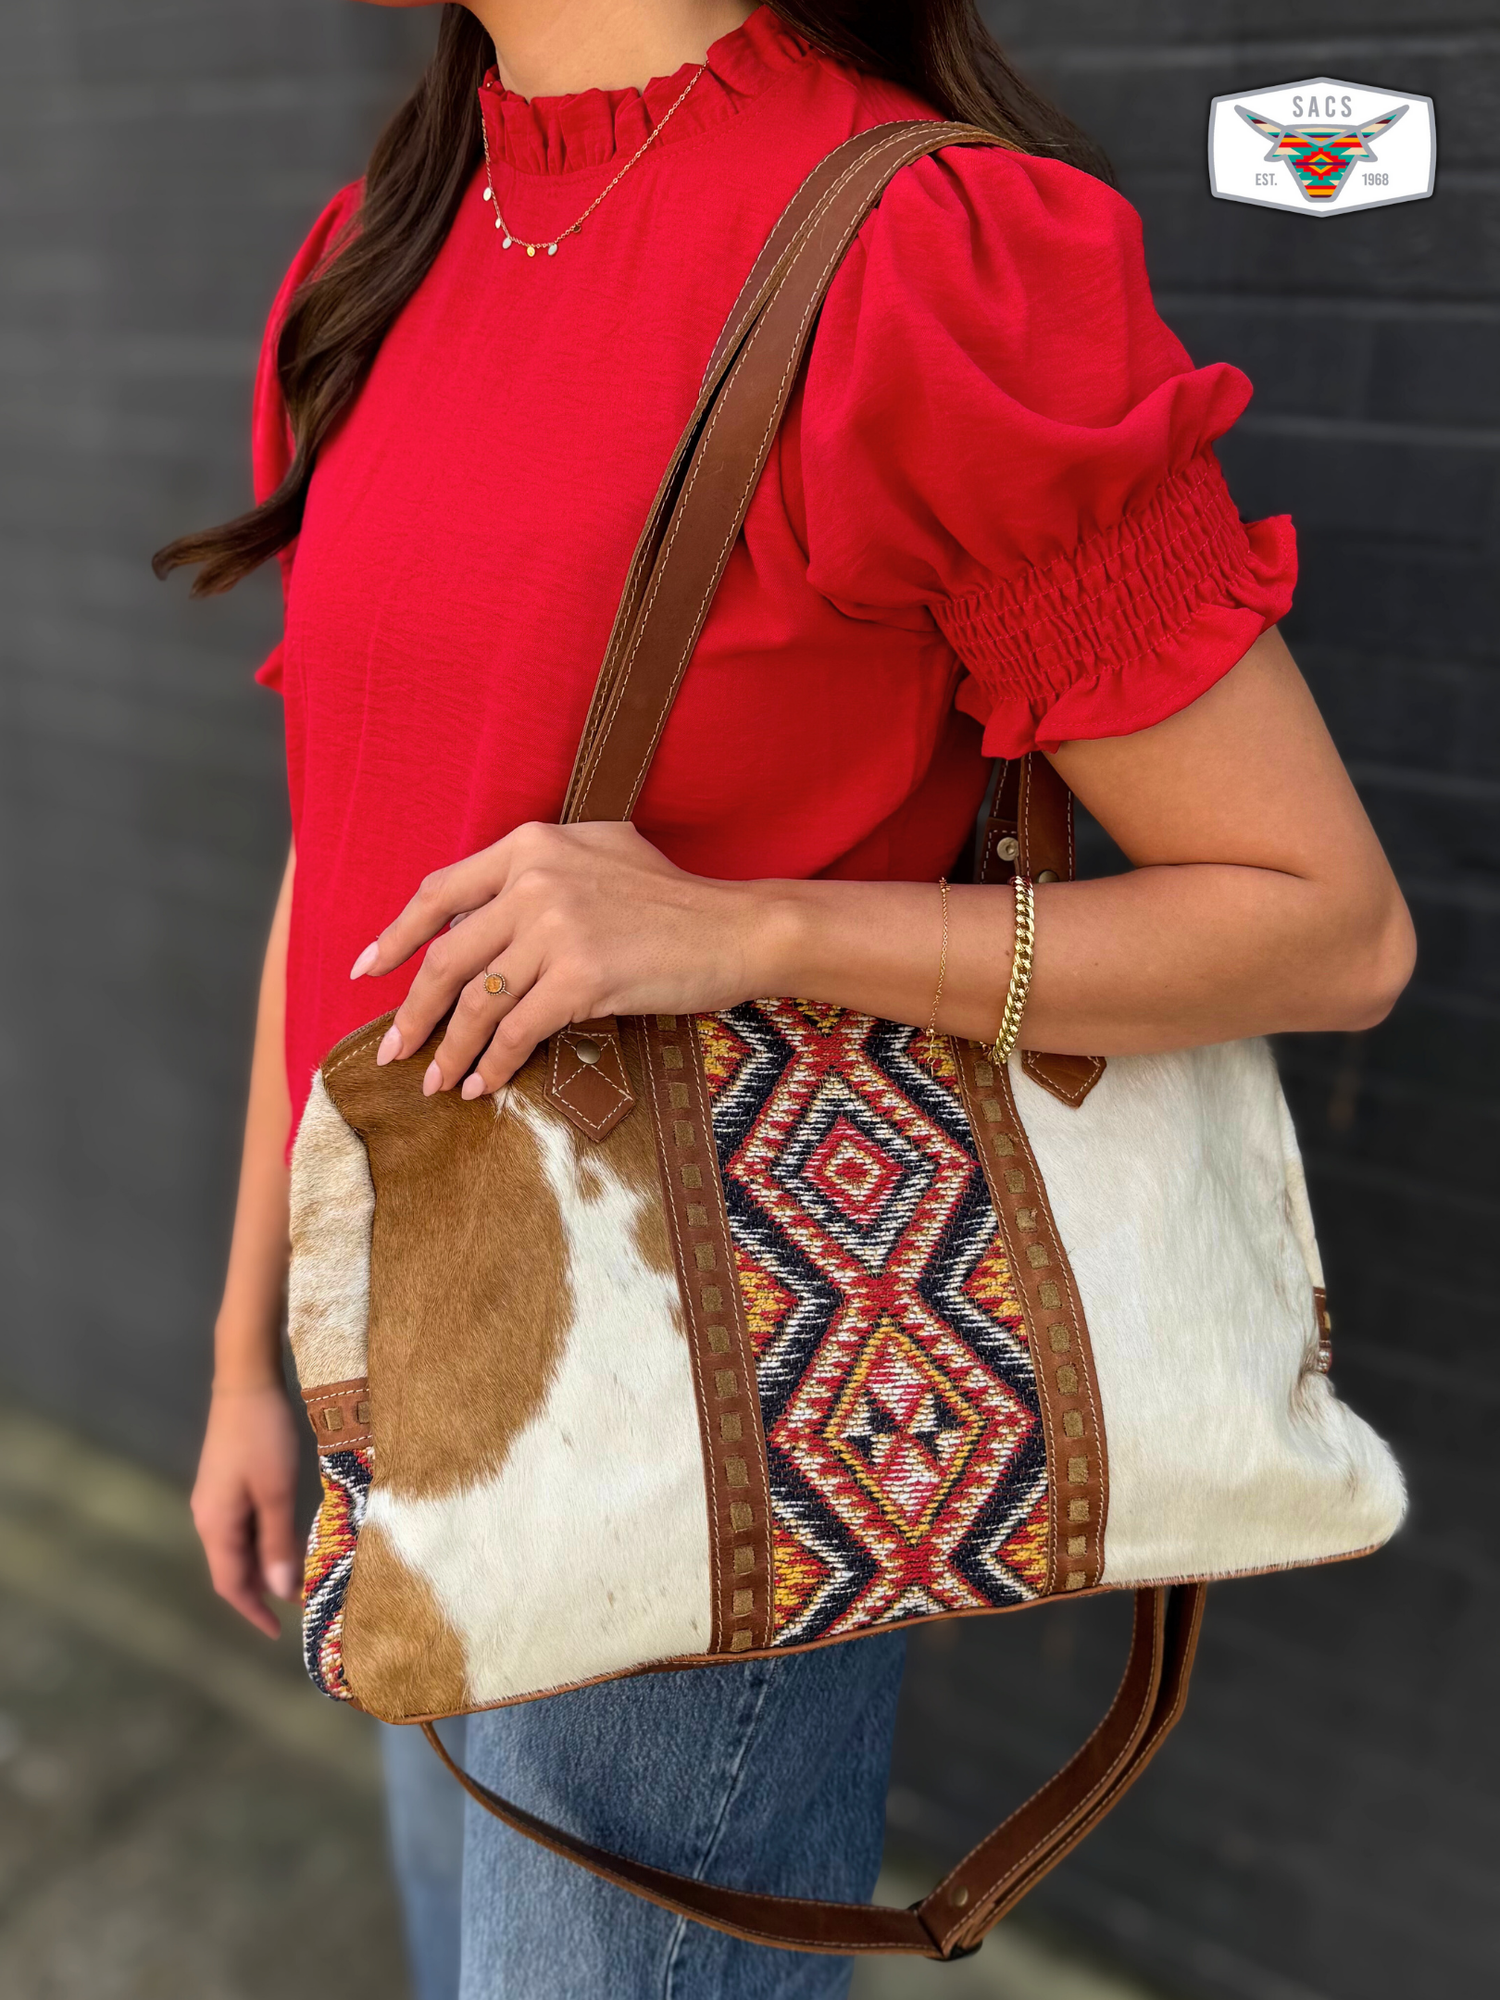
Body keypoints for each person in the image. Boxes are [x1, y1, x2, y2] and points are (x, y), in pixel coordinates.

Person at [158, 2, 1415, 1994]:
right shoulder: (374, 256)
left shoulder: (916, 259)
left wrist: (748, 930)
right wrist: (246, 1353)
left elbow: (1324, 923)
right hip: (402, 1410)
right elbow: (348, 864)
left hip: (690, 1441)